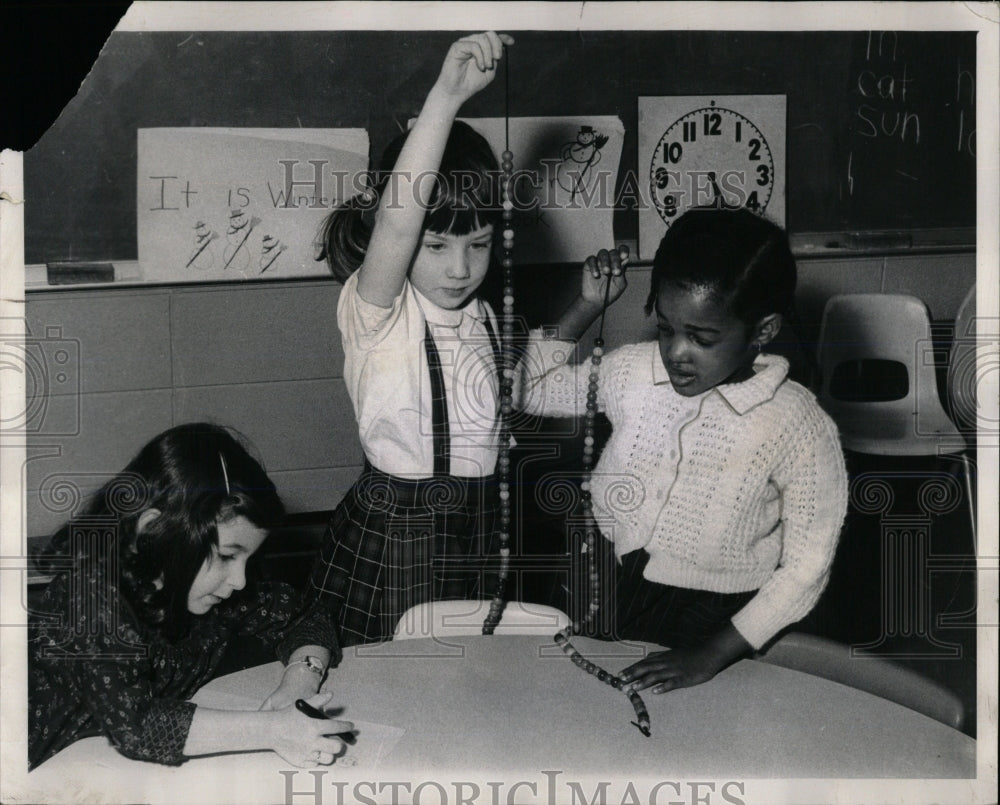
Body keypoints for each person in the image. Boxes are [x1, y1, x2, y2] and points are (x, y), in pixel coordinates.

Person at [311, 31, 628, 646]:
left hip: (482, 523)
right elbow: (401, 217)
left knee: (463, 675)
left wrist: (586, 307)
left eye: (478, 245)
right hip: (399, 533)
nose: (460, 269)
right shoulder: (378, 312)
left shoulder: (486, 317)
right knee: (392, 679)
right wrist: (446, 97)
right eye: (437, 246)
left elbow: (522, 376)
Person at [517, 206, 849, 693]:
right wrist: (585, 307)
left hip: (704, 619)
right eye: (668, 328)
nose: (676, 352)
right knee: (571, 708)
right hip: (594, 576)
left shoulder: (797, 424)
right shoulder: (632, 371)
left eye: (702, 337)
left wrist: (710, 656)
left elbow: (806, 568)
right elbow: (528, 390)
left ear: (763, 331)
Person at [29, 423, 350, 770]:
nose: (240, 580)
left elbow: (306, 617)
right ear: (155, 532)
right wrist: (273, 729)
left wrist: (300, 680)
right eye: (228, 556)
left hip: (118, 771)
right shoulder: (86, 596)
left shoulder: (204, 585)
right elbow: (137, 724)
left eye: (248, 559)